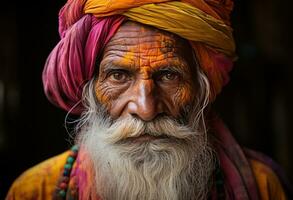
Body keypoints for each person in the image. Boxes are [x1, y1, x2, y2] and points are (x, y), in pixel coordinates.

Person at [6, 0, 293, 199]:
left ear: (201, 89)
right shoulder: (36, 190)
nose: (145, 109)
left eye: (169, 75)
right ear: (89, 89)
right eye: (118, 76)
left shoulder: (263, 187)